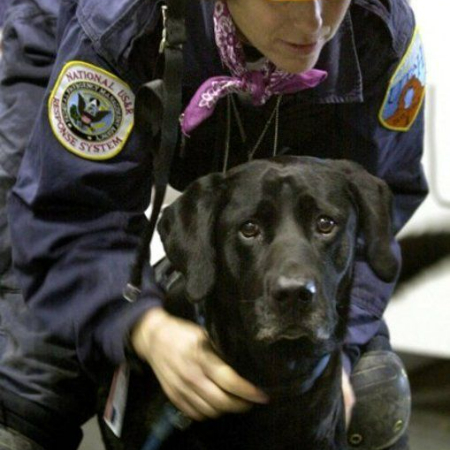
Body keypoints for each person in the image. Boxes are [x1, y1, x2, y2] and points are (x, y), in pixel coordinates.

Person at [0, 0, 427, 449]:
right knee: (35, 375)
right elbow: (68, 211)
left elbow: (378, 206)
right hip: (86, 34)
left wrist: (344, 344)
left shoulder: (379, 32)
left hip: (268, 83)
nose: (313, 22)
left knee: (372, 392)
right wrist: (143, 327)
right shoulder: (115, 29)